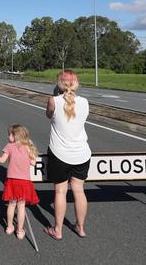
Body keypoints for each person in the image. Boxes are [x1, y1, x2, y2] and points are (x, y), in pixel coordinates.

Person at [44, 70, 91, 240]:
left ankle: (58, 229)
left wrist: (56, 96)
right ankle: (81, 227)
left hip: (60, 154)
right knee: (79, 190)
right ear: (76, 83)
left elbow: (49, 115)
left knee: (60, 191)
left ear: (59, 84)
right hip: (82, 153)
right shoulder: (85, 102)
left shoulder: (53, 101)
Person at [0, 124, 39, 240]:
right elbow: (33, 163)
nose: (8, 137)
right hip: (24, 181)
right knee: (21, 206)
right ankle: (20, 230)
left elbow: (2, 160)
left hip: (12, 180)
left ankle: (9, 227)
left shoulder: (9, 146)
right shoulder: (27, 147)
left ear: (15, 135)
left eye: (10, 134)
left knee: (12, 204)